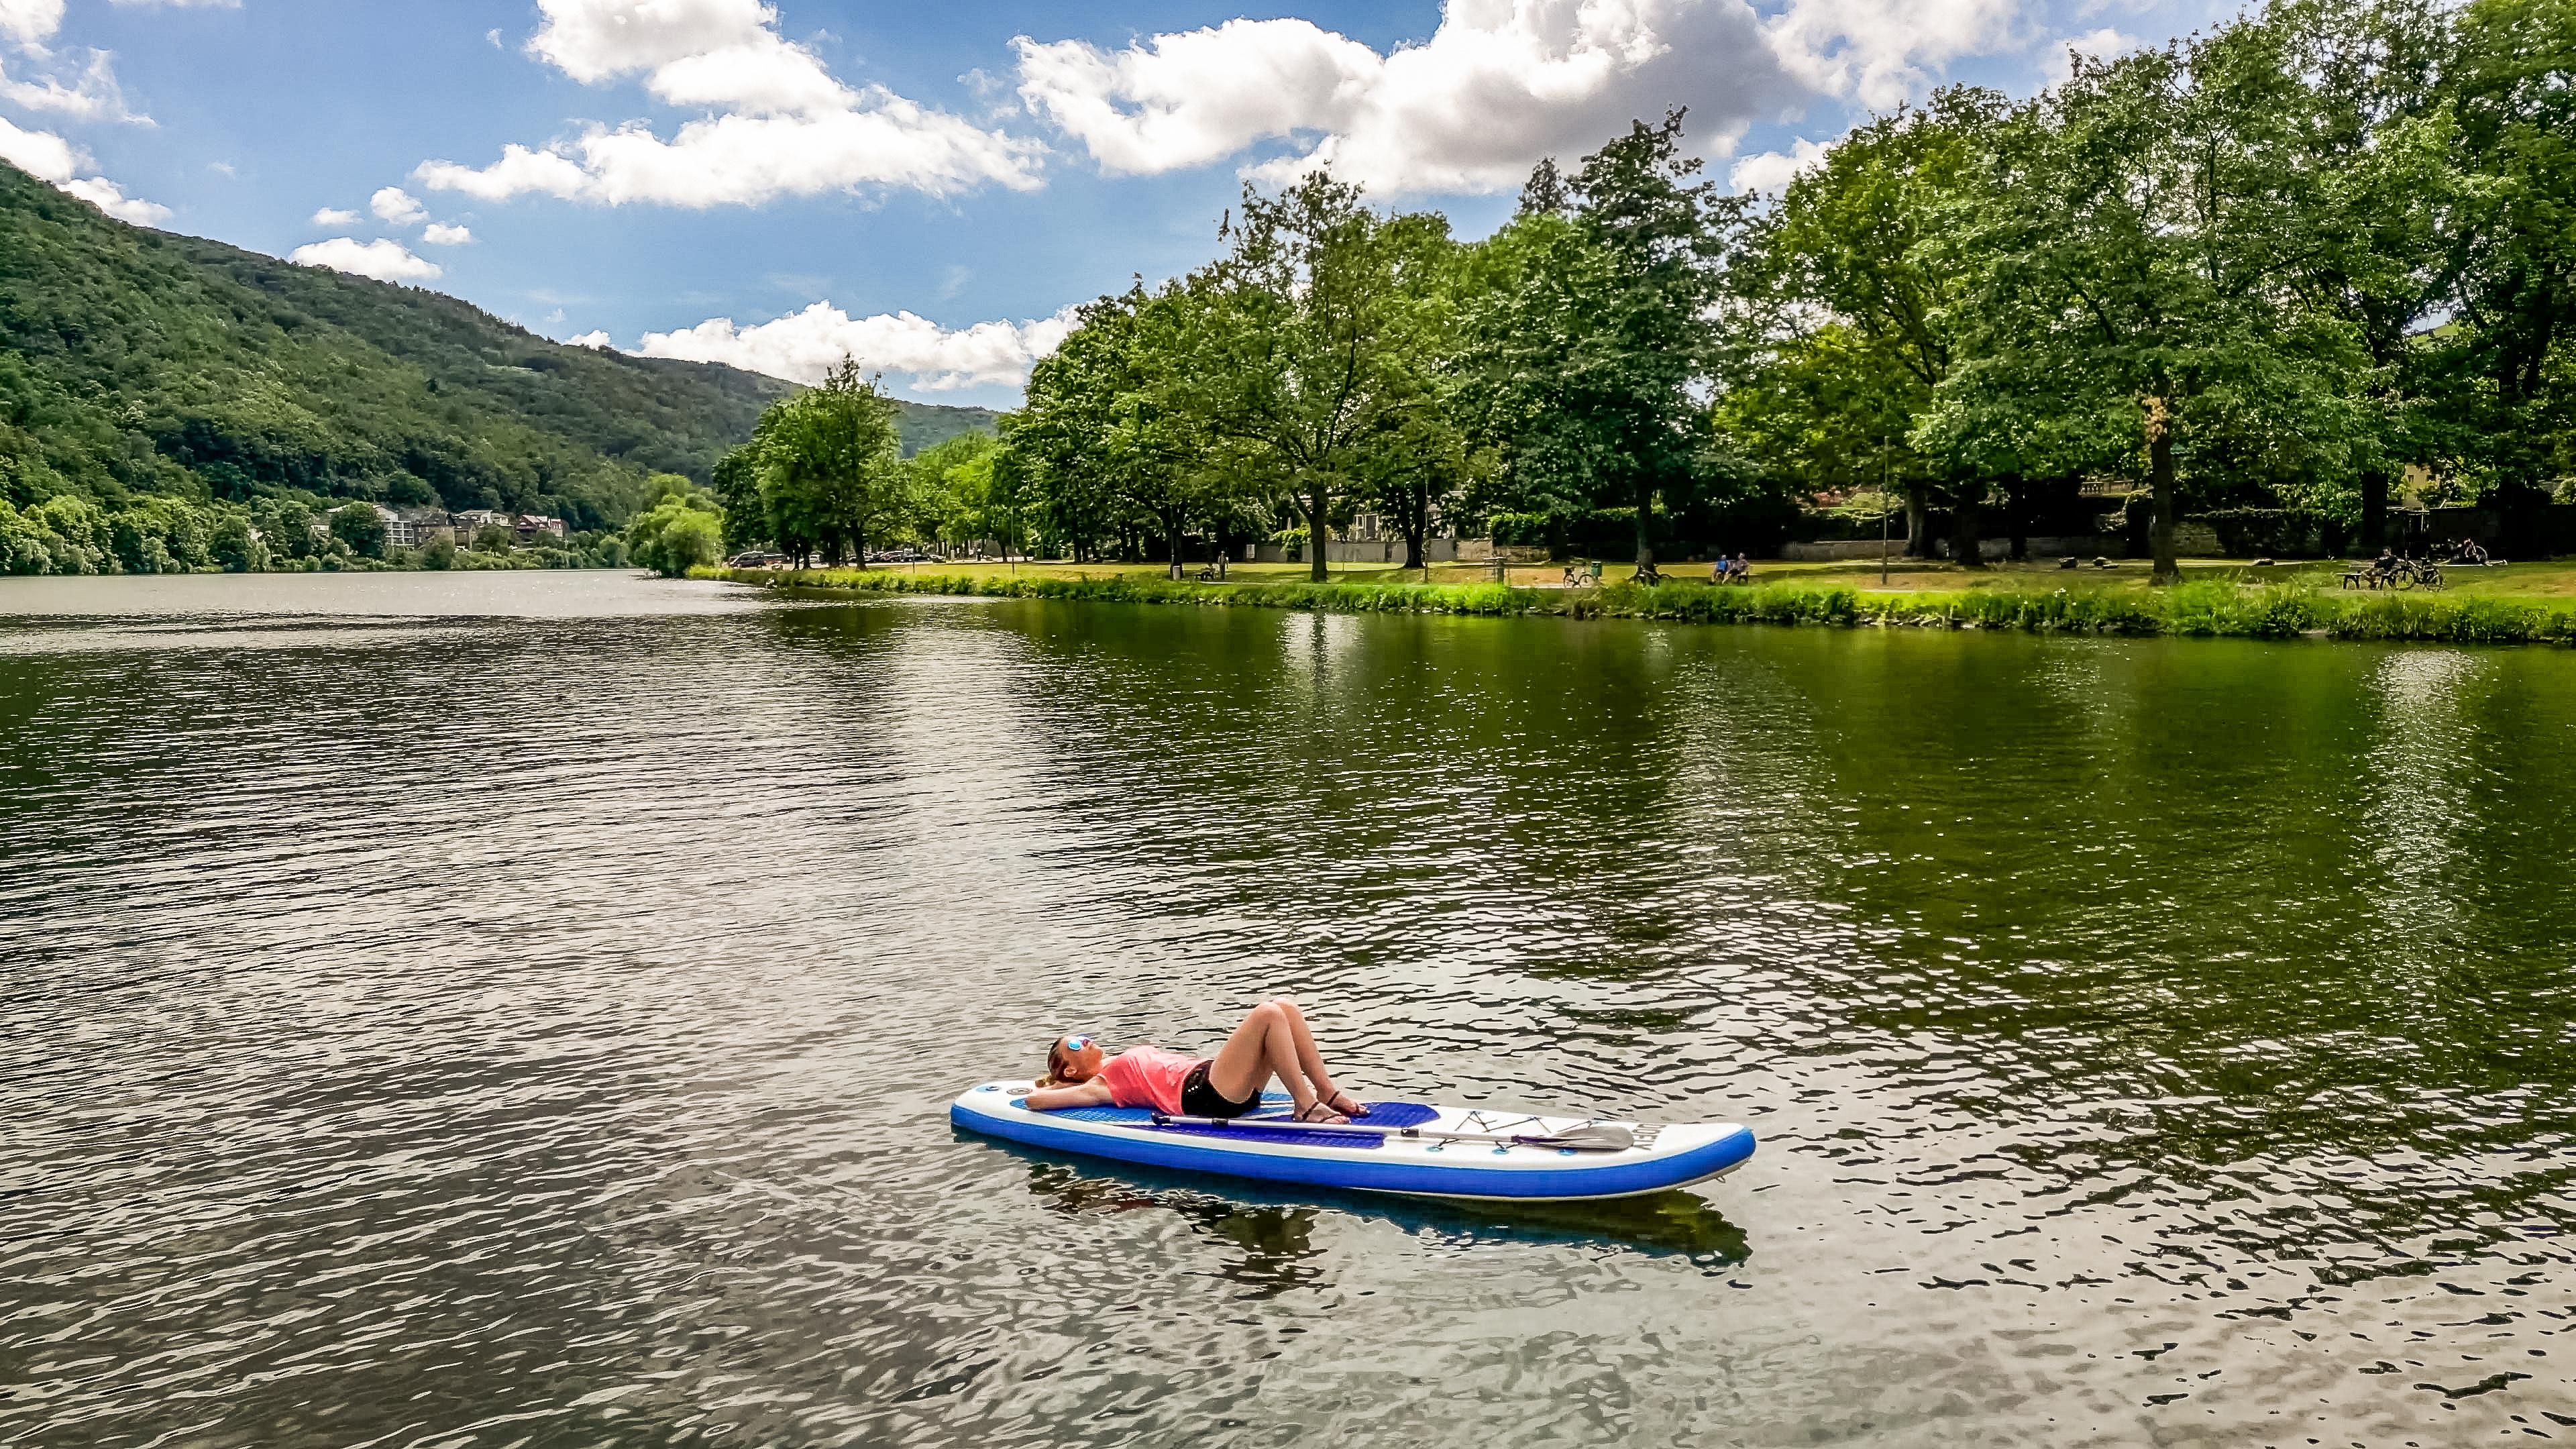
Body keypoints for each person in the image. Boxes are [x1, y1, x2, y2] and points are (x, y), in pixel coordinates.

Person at [1025, 998, 1371, 1124]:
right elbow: (1034, 1100)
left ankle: (1325, 1092)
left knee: (1285, 1009)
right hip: (1202, 1096)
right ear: (1070, 1068)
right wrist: (1052, 1084)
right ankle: (1305, 1106)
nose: (1083, 1039)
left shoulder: (1112, 1063)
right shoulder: (1099, 1086)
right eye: (1074, 1043)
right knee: (1267, 1014)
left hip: (1220, 1083)